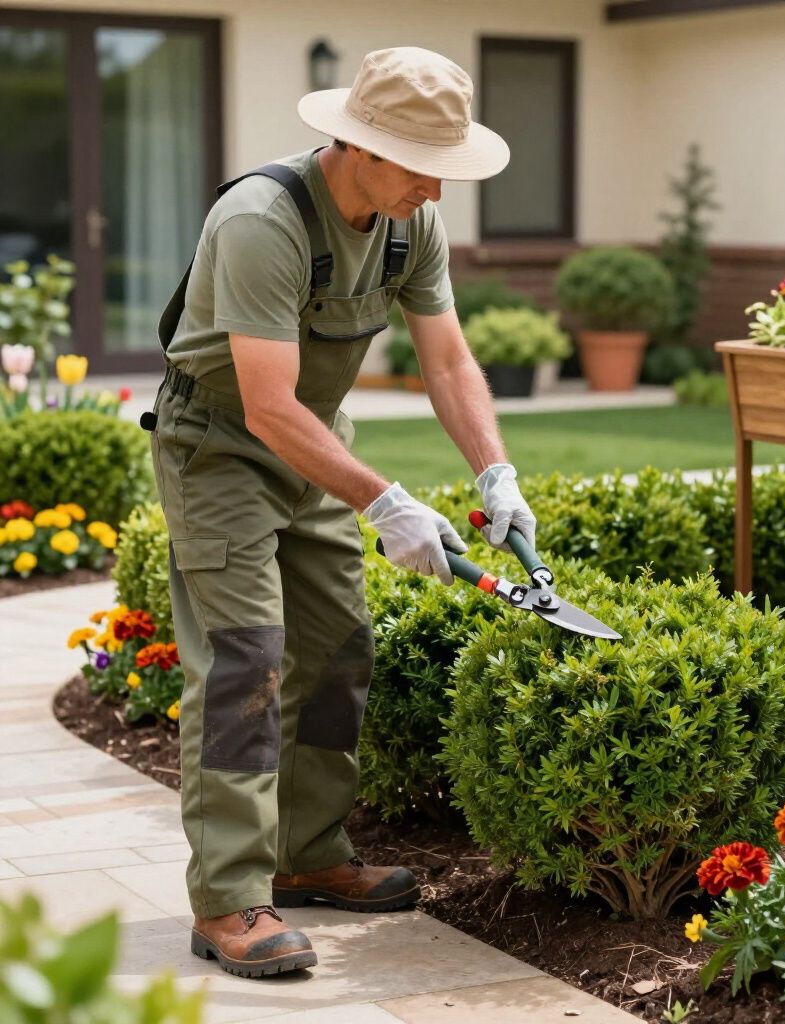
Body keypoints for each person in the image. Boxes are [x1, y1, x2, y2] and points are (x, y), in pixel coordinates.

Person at [147, 46, 537, 978]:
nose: (434, 188)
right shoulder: (261, 221)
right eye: (417, 165)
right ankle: (231, 898)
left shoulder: (410, 226)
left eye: (444, 166)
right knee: (244, 660)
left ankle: (310, 850)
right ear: (354, 144)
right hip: (219, 449)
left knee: (336, 645)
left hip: (311, 442)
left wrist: (497, 475)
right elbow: (267, 404)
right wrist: (387, 499)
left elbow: (447, 362)